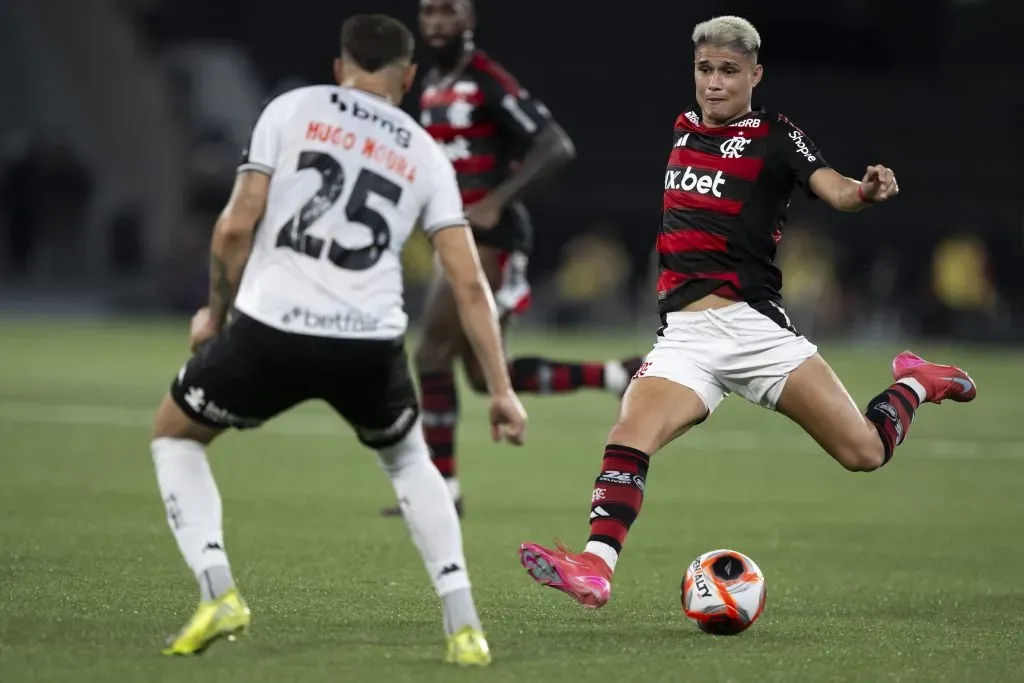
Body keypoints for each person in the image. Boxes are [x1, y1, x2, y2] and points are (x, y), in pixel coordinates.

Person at [517, 15, 977, 609]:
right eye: (705, 70)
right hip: (683, 337)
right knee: (629, 435)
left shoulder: (774, 135)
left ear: (755, 75)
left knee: (864, 452)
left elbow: (831, 186)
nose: (714, 83)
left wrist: (862, 191)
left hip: (752, 329)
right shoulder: (683, 128)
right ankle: (595, 566)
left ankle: (916, 381)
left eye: (728, 72)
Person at [151, 14, 525, 665]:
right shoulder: (423, 148)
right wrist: (500, 389)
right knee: (411, 461)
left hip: (272, 330)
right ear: (408, 78)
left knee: (174, 434)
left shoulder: (290, 109)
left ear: (339, 68)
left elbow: (236, 226)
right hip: (369, 342)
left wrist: (215, 312)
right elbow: (468, 284)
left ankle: (218, 590)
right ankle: (464, 624)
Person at [381, 0, 643, 518]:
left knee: (431, 353)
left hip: (492, 238)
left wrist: (496, 201)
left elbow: (555, 145)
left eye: (447, 13)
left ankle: (441, 495)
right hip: (457, 235)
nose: (435, 23)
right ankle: (617, 374)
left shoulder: (486, 79)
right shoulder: (432, 83)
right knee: (481, 377)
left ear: (469, 20)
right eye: (428, 13)